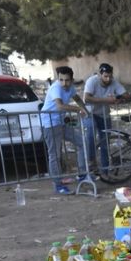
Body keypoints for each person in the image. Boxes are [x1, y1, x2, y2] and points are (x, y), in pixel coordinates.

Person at [40, 66, 91, 194]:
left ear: (71, 80)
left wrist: (85, 109)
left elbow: (77, 98)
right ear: (58, 79)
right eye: (61, 80)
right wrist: (79, 110)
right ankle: (58, 185)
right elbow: (60, 105)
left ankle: (82, 174)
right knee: (55, 155)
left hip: (61, 122)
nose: (64, 83)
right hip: (50, 124)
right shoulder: (56, 88)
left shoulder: (71, 87)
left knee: (81, 142)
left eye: (67, 80)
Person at [83, 63, 131, 177]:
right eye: (105, 76)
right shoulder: (92, 81)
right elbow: (86, 98)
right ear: (100, 74)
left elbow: (128, 96)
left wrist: (121, 99)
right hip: (90, 113)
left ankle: (105, 169)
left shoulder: (114, 82)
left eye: (110, 76)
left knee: (105, 141)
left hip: (104, 115)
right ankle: (91, 162)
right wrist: (106, 100)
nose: (108, 79)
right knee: (90, 136)